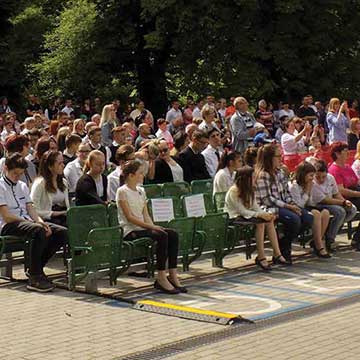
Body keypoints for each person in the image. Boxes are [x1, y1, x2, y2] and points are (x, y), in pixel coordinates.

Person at [0, 153, 67, 292]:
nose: (17, 177)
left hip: (27, 221)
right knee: (38, 230)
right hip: (8, 224)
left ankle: (35, 268)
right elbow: (7, 216)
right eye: (14, 174)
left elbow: (31, 208)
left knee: (61, 232)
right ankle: (35, 276)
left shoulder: (22, 185)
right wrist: (34, 224)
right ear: (5, 168)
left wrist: (41, 221)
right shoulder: (0, 186)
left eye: (20, 174)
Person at [117, 160, 185, 294]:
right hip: (130, 230)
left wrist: (153, 226)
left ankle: (172, 273)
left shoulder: (141, 191)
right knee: (161, 235)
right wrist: (151, 227)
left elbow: (145, 213)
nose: (142, 175)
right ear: (131, 175)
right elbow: (130, 217)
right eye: (140, 173)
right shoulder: (122, 191)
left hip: (143, 227)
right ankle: (160, 276)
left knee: (172, 234)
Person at [255, 144, 313, 263]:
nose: (280, 158)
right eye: (277, 156)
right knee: (294, 220)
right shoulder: (262, 175)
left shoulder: (280, 172)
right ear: (269, 158)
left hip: (284, 204)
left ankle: (284, 243)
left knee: (308, 217)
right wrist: (288, 206)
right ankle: (284, 249)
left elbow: (285, 193)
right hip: (270, 207)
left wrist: (293, 205)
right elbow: (267, 199)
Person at [225, 166, 288, 269]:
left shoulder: (251, 190)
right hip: (234, 217)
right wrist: (260, 215)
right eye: (253, 176)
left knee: (269, 220)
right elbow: (242, 211)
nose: (255, 179)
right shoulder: (233, 191)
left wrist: (265, 214)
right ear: (246, 178)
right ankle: (261, 257)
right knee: (260, 223)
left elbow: (255, 207)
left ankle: (277, 253)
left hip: (248, 215)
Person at [310, 159, 357, 250]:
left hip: (331, 201)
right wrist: (342, 202)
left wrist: (345, 202)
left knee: (352, 209)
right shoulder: (313, 183)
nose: (321, 179)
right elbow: (325, 200)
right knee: (340, 212)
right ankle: (330, 239)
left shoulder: (330, 178)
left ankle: (331, 229)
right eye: (318, 177)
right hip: (318, 204)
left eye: (323, 176)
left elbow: (336, 193)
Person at [288, 162, 331, 257]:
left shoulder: (309, 183)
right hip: (296, 208)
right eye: (311, 175)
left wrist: (310, 190)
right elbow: (299, 205)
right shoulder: (294, 186)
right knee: (316, 214)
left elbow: (311, 202)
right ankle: (319, 246)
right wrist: (307, 190)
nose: (312, 178)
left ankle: (317, 241)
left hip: (308, 206)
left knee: (325, 213)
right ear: (303, 174)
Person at [328, 142, 360, 247]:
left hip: (354, 195)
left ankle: (357, 238)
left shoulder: (347, 167)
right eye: (345, 151)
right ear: (337, 154)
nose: (348, 153)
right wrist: (357, 194)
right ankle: (357, 239)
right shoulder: (334, 169)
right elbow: (340, 190)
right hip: (343, 198)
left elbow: (356, 182)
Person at [30, 151, 69, 227]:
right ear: (50, 166)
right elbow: (33, 209)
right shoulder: (40, 184)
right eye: (59, 163)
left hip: (63, 216)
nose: (63, 165)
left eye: (63, 162)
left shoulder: (63, 182)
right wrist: (54, 213)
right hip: (47, 219)